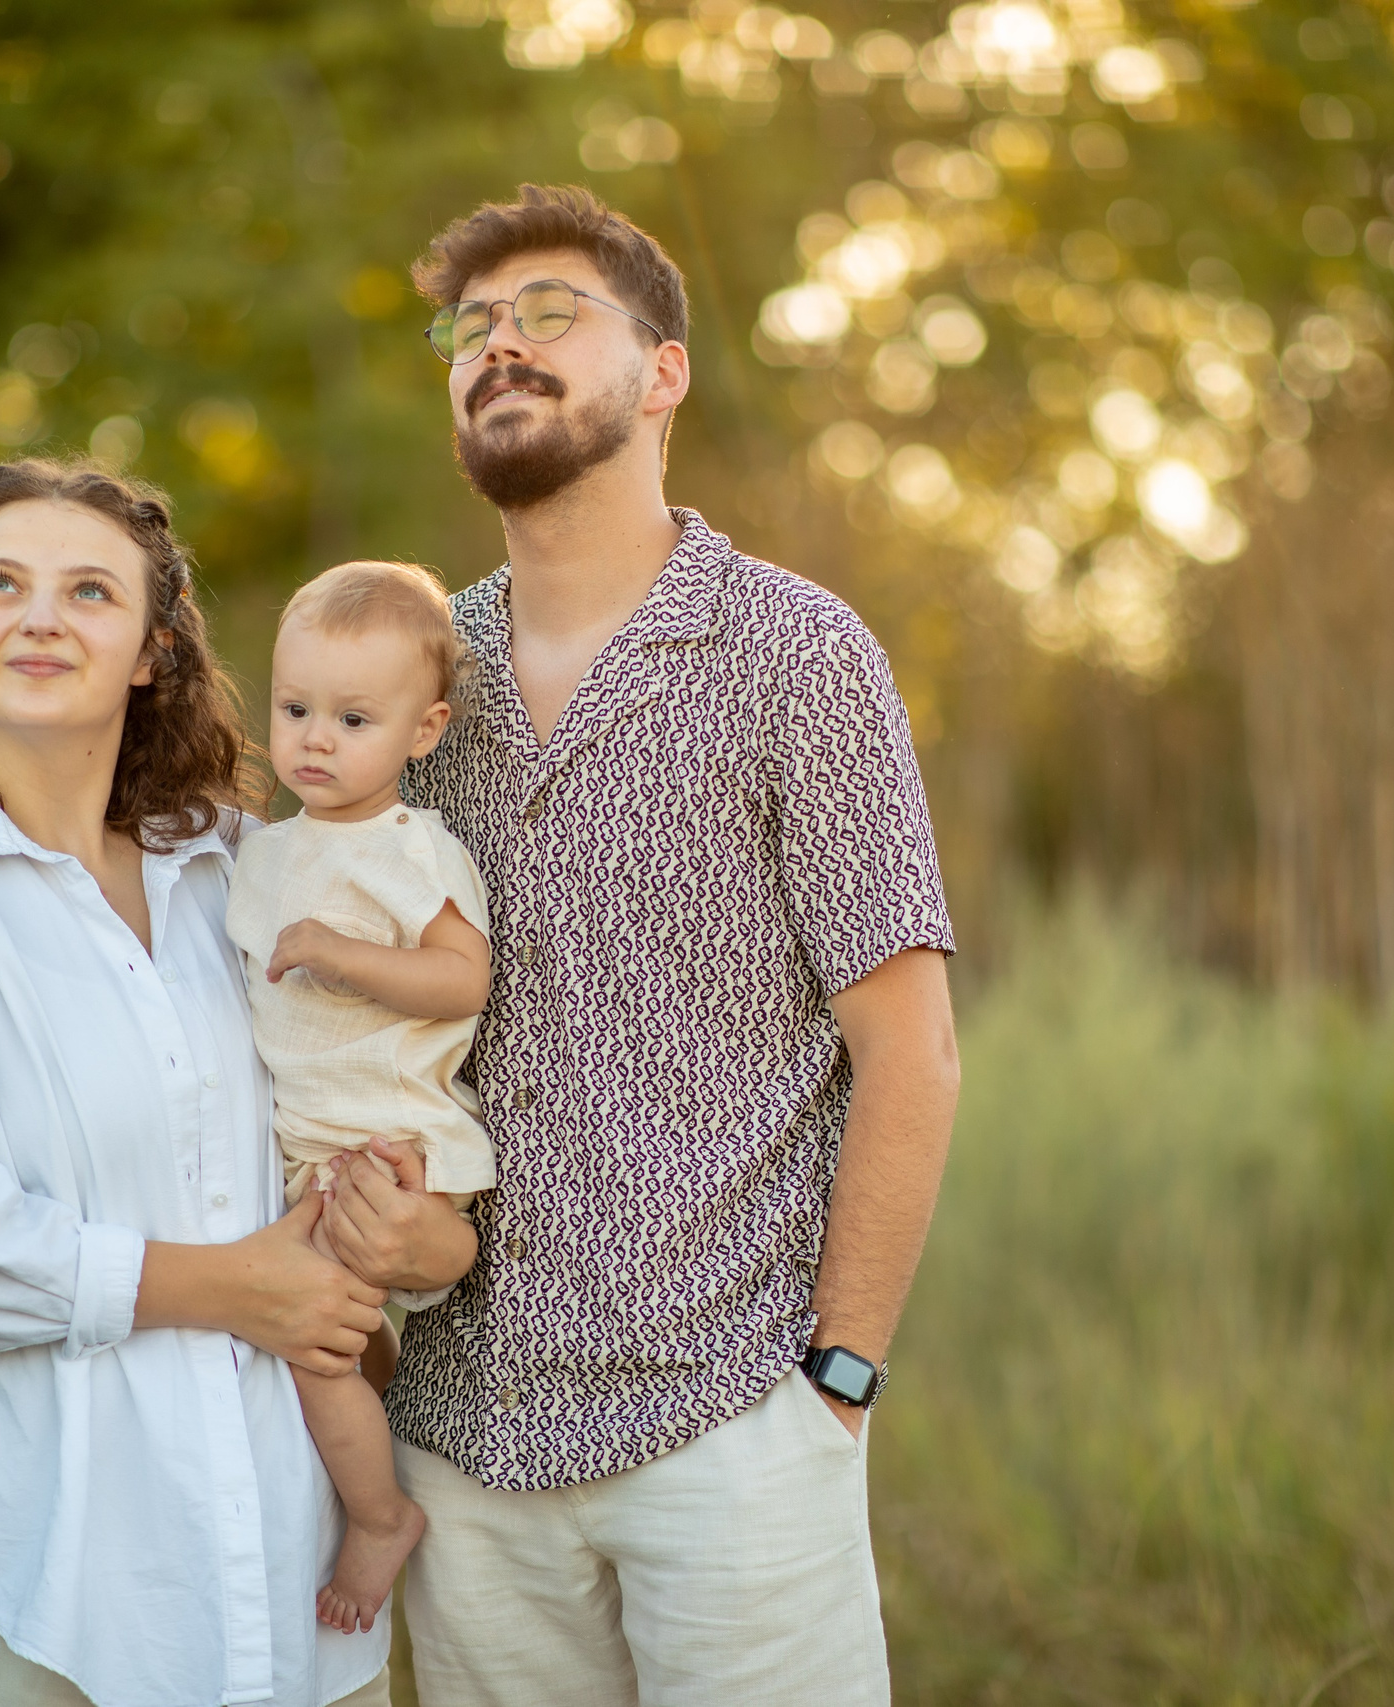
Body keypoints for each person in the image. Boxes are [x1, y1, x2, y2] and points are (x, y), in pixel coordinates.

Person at [383, 183, 963, 1706]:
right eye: (470, 328)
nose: (498, 346)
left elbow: (910, 1050)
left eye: (549, 313)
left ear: (664, 372)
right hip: (463, 1446)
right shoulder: (419, 682)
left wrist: (837, 1379)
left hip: (730, 1431)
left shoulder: (796, 652)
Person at [0, 458, 471, 1707]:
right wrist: (230, 1287)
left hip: (291, 1586)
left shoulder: (245, 871)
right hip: (60, 1598)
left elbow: (381, 1090)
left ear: (152, 653)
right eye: (1, 584)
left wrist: (423, 1236)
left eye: (89, 591)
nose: (40, 617)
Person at [225, 559, 498, 1639]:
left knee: (310, 1343)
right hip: (314, 1146)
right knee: (343, 1338)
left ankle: (381, 1518)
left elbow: (462, 979)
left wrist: (343, 955)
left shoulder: (408, 850)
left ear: (423, 733)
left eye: (352, 719)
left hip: (389, 1142)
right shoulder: (265, 850)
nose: (315, 741)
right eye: (295, 709)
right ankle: (378, 1445)